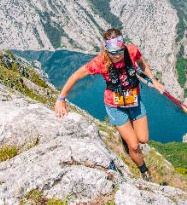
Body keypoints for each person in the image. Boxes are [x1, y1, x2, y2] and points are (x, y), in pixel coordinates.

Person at [55, 28, 165, 181]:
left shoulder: (132, 51)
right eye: (113, 53)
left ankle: (126, 136)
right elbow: (76, 75)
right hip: (115, 106)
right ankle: (143, 170)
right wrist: (61, 99)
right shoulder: (100, 62)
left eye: (120, 51)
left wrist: (154, 81)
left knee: (144, 139)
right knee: (133, 145)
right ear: (106, 50)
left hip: (134, 101)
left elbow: (141, 62)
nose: (118, 55)